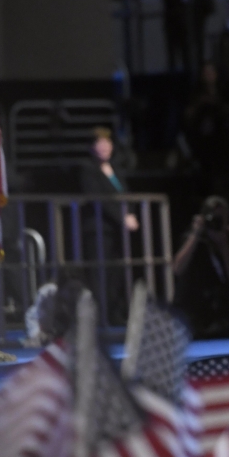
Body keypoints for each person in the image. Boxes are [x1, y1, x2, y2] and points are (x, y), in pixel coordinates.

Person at [80, 127, 139, 323]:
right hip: (98, 229)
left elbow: (124, 194)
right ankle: (101, 318)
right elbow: (100, 199)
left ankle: (115, 314)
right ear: (92, 147)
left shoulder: (115, 168)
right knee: (100, 274)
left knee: (116, 273)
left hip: (116, 230)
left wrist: (130, 212)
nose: (105, 147)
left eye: (108, 143)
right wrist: (122, 217)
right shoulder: (88, 169)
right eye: (100, 143)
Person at [173, 196, 229, 338]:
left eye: (221, 219)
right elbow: (177, 268)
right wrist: (196, 234)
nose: (216, 223)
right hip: (194, 314)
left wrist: (224, 246)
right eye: (213, 218)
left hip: (223, 317)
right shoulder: (193, 240)